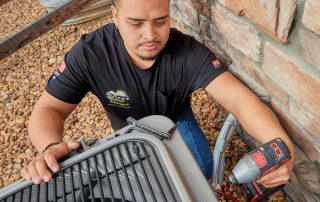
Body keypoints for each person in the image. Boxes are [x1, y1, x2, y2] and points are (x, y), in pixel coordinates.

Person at [21, 0, 295, 189]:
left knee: (201, 175)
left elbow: (239, 99)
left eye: (160, 21)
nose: (150, 35)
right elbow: (48, 109)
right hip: (125, 132)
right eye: (136, 23)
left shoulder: (188, 52)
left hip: (177, 120)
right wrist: (48, 147)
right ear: (114, 15)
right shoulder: (90, 54)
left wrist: (281, 144)